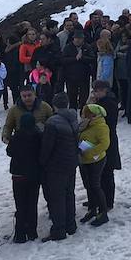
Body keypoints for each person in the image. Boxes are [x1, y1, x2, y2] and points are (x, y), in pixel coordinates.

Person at [38, 94, 80, 241]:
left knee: (57, 197)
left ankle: (58, 230)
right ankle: (71, 225)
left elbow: (47, 146)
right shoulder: (74, 118)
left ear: (54, 106)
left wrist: (42, 162)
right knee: (69, 193)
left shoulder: (52, 122)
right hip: (72, 162)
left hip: (56, 165)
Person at [6, 111, 42, 243]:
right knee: (32, 203)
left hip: (18, 175)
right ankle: (32, 231)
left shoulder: (17, 137)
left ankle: (20, 233)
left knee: (20, 204)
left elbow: (9, 152)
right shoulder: (38, 136)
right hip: (33, 174)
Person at [77, 104, 112, 226]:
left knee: (95, 185)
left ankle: (103, 213)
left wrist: (89, 153)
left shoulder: (101, 126)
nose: (84, 116)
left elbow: (104, 144)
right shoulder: (85, 125)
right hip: (84, 160)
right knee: (88, 185)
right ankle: (92, 209)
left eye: (87, 113)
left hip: (96, 160)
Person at [90, 79, 121, 214]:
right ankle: (100, 198)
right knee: (100, 172)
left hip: (108, 140)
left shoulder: (109, 103)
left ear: (104, 91)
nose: (95, 93)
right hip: (103, 139)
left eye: (97, 91)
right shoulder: (101, 102)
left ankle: (108, 201)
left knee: (107, 172)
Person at [61, 32, 93, 110]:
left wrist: (82, 58)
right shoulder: (68, 47)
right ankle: (73, 113)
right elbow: (63, 60)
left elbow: (92, 58)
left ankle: (83, 113)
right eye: (76, 39)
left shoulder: (87, 47)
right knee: (72, 97)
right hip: (71, 76)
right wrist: (75, 59)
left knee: (84, 97)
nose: (78, 40)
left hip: (84, 76)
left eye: (80, 39)